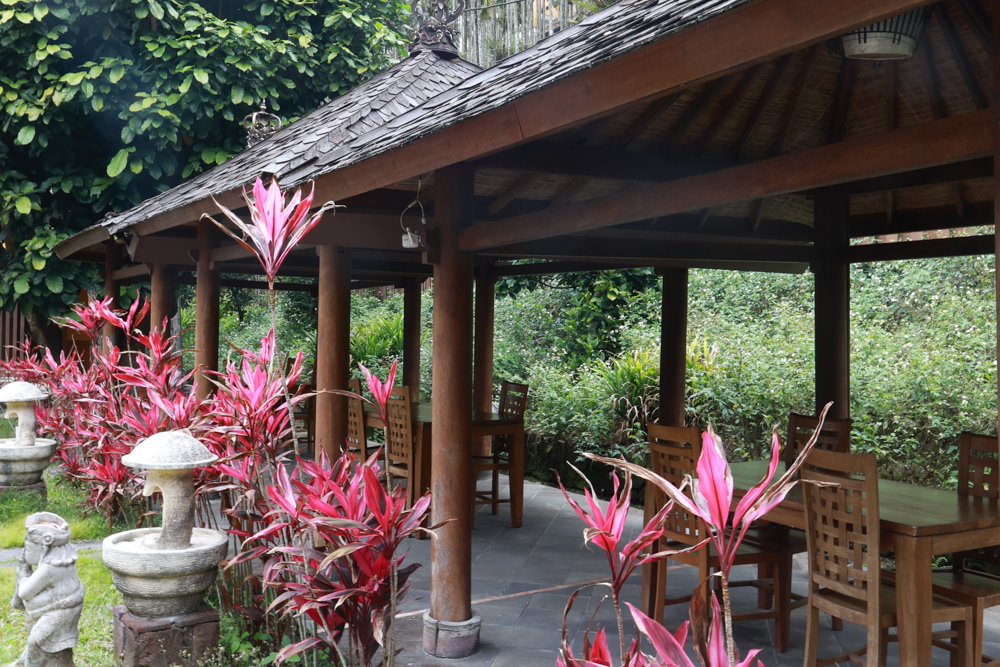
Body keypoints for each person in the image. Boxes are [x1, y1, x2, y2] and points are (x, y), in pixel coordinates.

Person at [8, 512, 84, 667]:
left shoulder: (50, 568)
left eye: (28, 547)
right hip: (60, 608)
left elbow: (24, 592)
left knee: (38, 642)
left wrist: (23, 572)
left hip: (61, 612)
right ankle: (26, 662)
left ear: (43, 547)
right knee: (45, 645)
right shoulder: (62, 560)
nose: (25, 551)